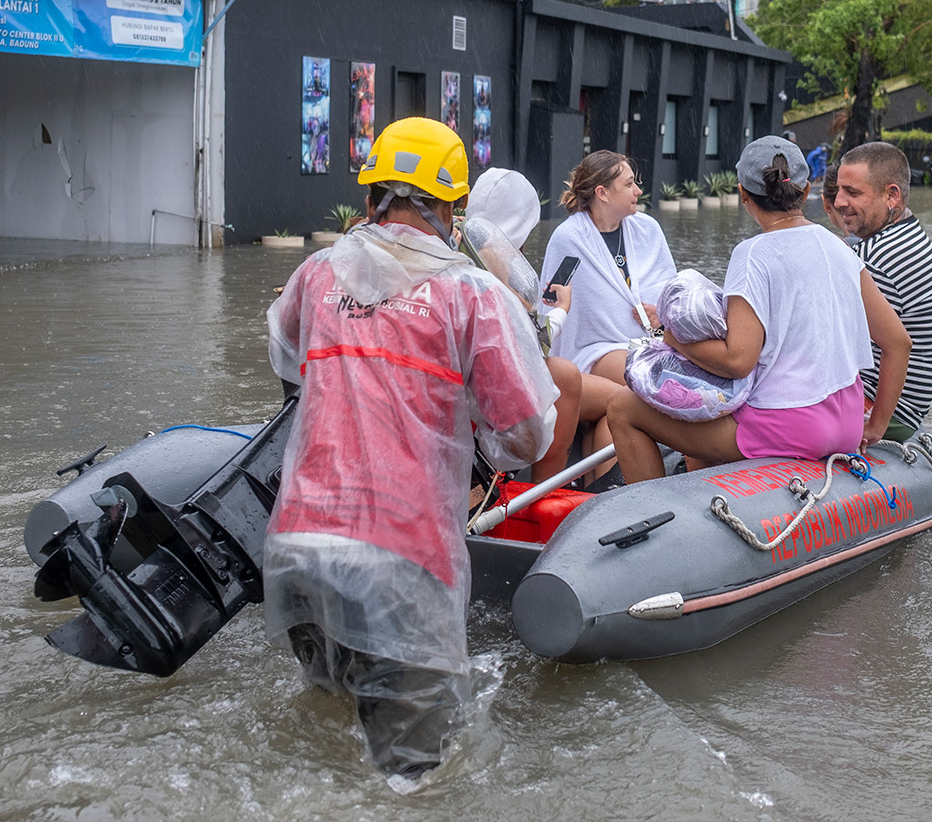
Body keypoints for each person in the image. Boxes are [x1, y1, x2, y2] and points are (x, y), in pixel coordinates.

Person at [263, 118, 558, 780]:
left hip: (299, 546)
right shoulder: (472, 292)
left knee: (329, 733)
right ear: (451, 209)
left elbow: (283, 351)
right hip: (401, 557)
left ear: (371, 198)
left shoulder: (316, 272)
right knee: (412, 776)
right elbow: (528, 435)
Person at [607, 136, 912, 483]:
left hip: (787, 426)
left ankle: (652, 524)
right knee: (700, 424)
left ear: (743, 194)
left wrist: (672, 337)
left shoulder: (752, 255)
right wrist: (876, 426)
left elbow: (738, 361)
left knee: (622, 407)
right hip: (846, 425)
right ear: (806, 187)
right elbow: (898, 343)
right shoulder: (840, 248)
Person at [539, 150, 677, 472]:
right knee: (640, 377)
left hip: (648, 340)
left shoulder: (648, 230)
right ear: (602, 193)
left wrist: (659, 312)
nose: (638, 191)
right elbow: (550, 304)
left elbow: (671, 288)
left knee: (615, 411)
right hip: (592, 349)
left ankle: (601, 489)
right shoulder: (569, 238)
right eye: (629, 184)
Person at [462, 167, 582, 482]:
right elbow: (534, 343)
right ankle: (543, 493)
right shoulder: (499, 264)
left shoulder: (456, 242)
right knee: (571, 380)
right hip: (486, 386)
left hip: (457, 379)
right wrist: (563, 309)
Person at [833, 141, 932, 441]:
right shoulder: (907, 236)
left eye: (853, 192)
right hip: (906, 409)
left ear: (892, 195)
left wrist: (874, 426)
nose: (838, 202)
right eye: (839, 190)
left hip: (880, 409)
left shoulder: (877, 258)